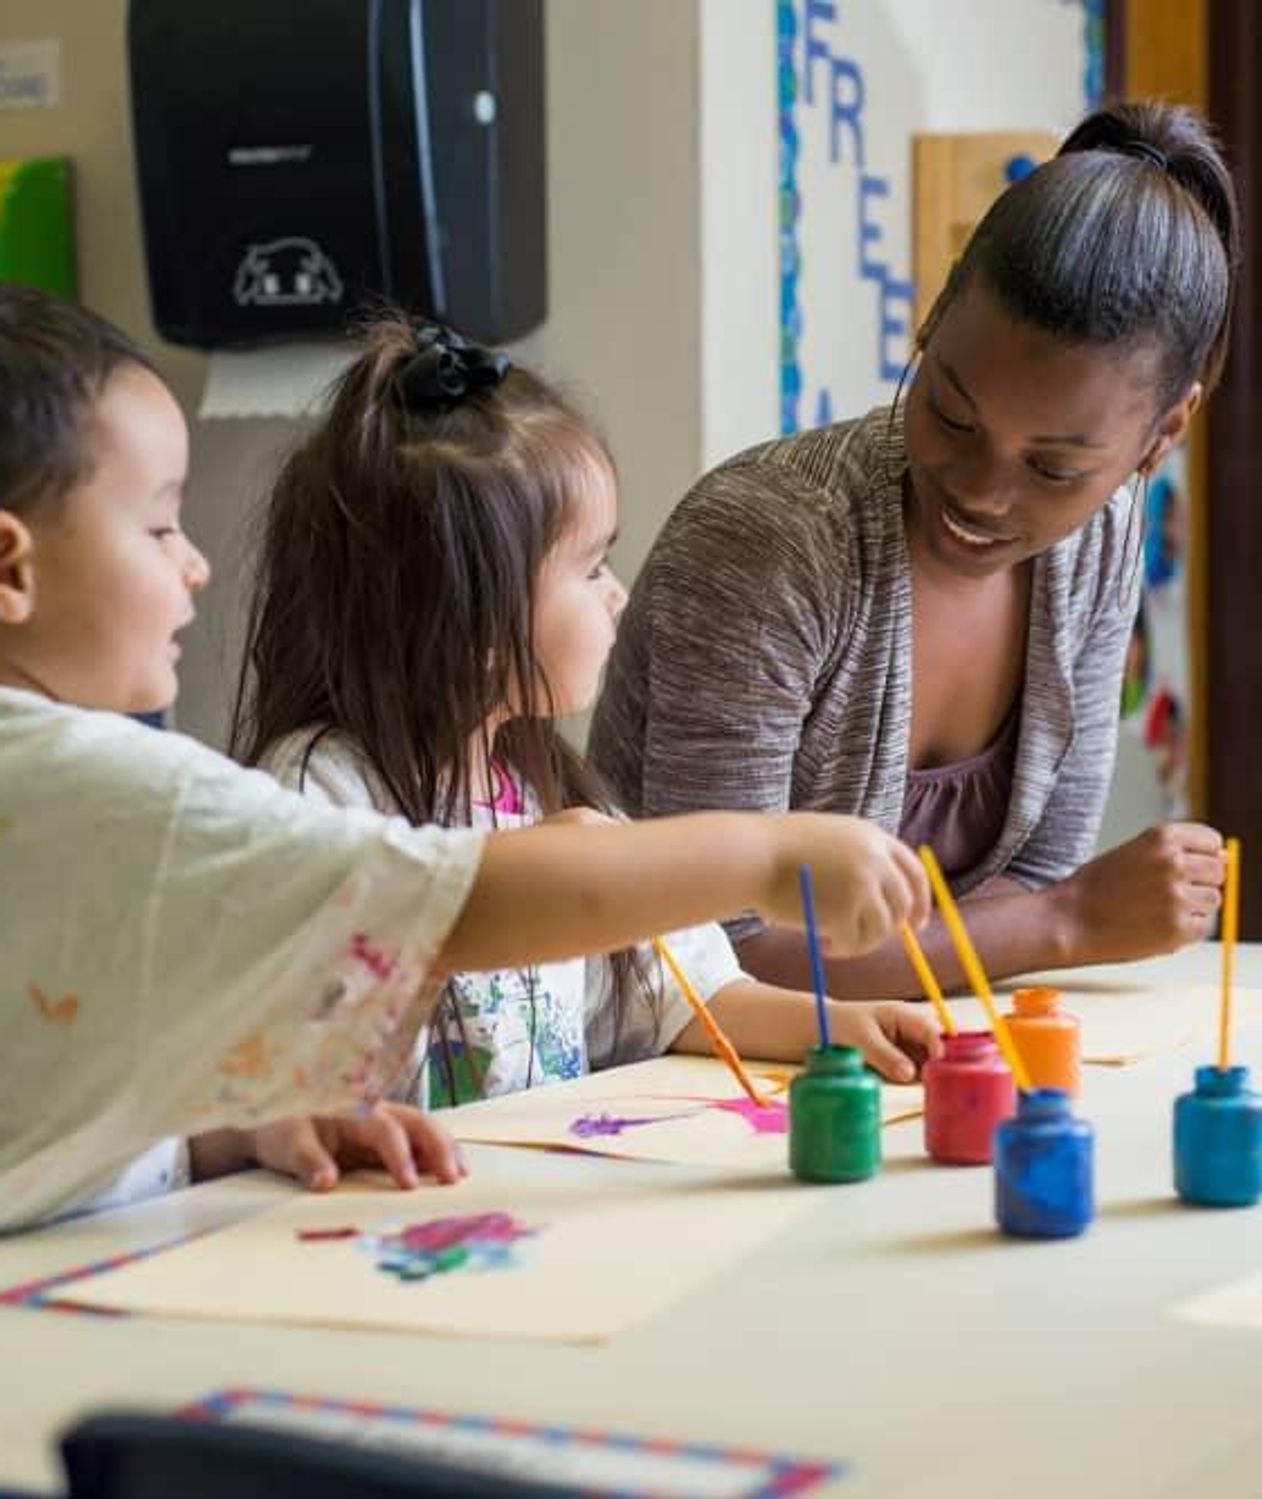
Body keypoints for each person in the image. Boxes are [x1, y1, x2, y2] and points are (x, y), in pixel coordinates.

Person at [0, 288, 925, 1230]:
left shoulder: (544, 782)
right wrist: (764, 856)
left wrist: (240, 1135)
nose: (194, 564)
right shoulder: (159, 789)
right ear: (12, 567)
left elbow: (66, 1109)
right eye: (159, 527)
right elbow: (442, 908)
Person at [590, 101, 1240, 999]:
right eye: (950, 412)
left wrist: (1039, 917)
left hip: (917, 1062)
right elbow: (711, 947)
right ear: (933, 319)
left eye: (1053, 467)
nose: (980, 488)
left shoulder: (1101, 537)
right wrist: (1070, 924)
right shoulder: (771, 543)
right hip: (683, 1079)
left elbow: (1037, 869)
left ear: (1164, 434)